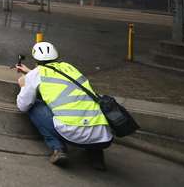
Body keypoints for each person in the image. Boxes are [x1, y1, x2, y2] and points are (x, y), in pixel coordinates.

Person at [15, 41, 112, 170]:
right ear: (56, 56)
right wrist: (31, 72)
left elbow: (23, 105)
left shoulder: (35, 75)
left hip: (73, 133)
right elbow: (58, 79)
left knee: (34, 106)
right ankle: (97, 158)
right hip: (103, 136)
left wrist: (23, 85)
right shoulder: (69, 67)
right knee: (84, 108)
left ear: (35, 58)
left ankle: (58, 149)